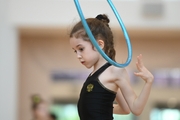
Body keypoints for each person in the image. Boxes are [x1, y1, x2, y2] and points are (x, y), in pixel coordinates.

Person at [69, 14, 154, 120]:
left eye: (81, 49)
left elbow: (135, 109)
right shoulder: (93, 75)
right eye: (75, 51)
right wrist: (101, 107)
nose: (78, 55)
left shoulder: (115, 71)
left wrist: (149, 82)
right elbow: (125, 108)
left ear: (99, 44)